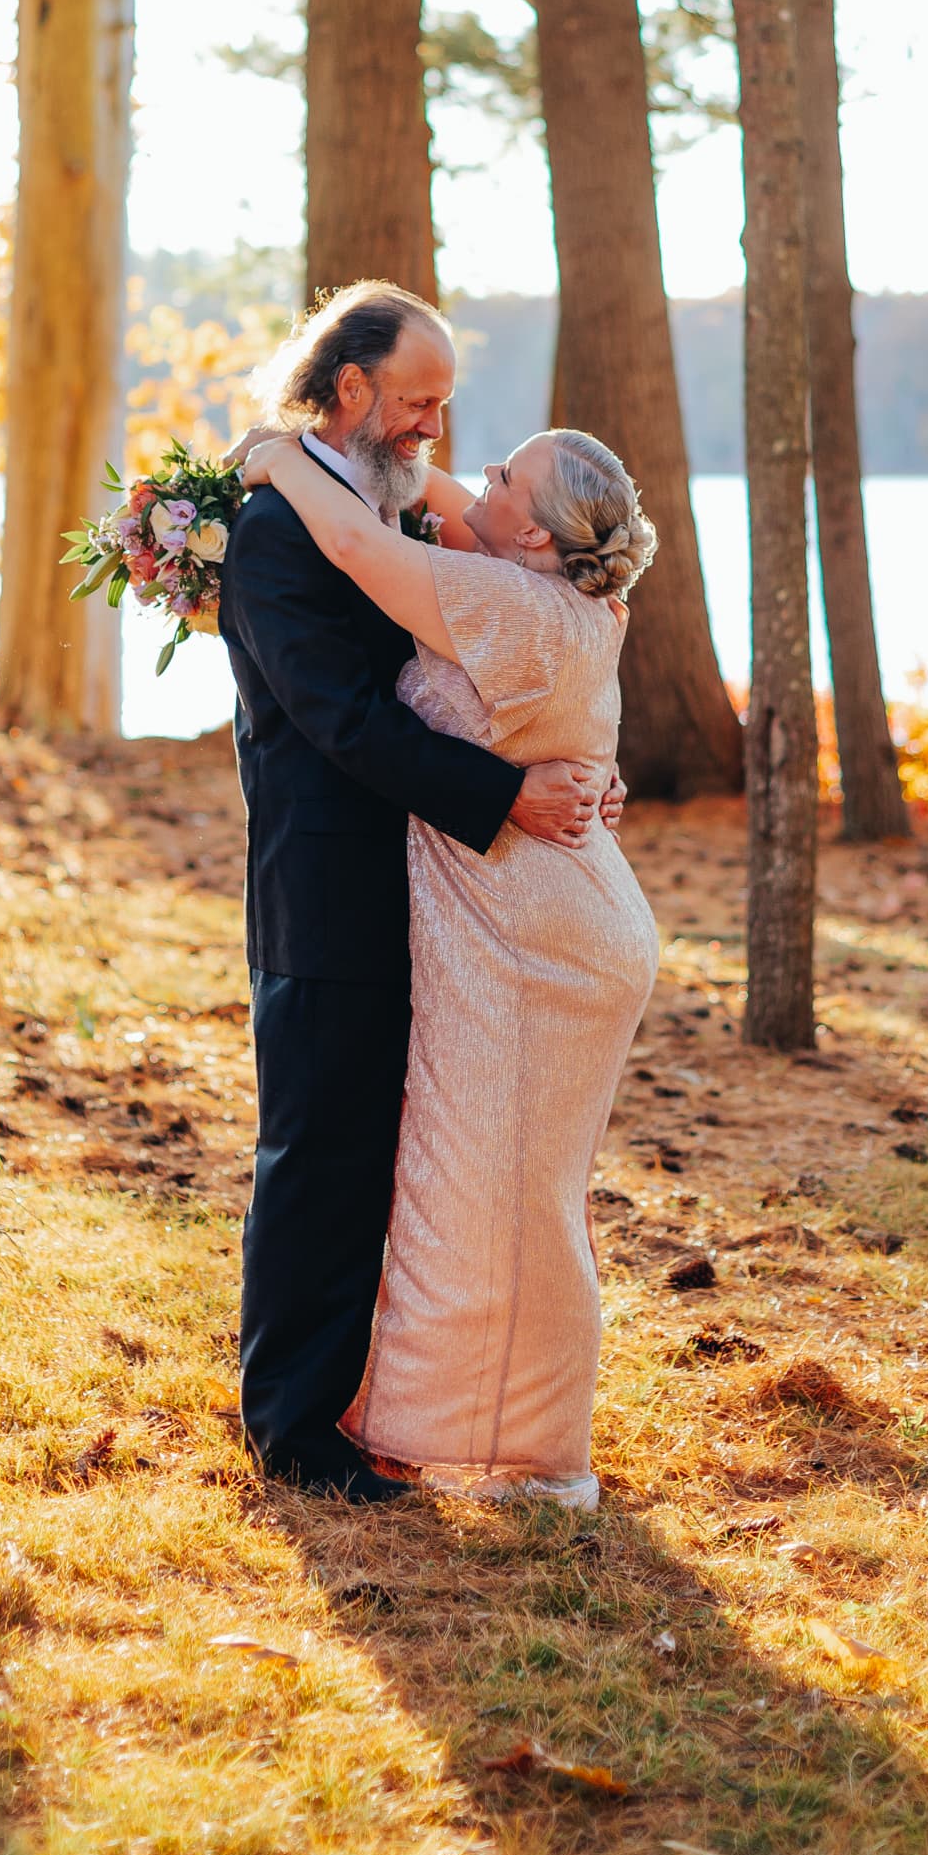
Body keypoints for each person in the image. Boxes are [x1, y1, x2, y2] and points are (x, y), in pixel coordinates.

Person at [217, 281, 608, 1500]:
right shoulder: (281, 529)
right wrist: (502, 802)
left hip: (436, 904)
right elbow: (336, 720)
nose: (434, 428)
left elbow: (492, 664)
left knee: (387, 1164)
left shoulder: (380, 510)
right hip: (329, 890)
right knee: (317, 1157)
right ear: (349, 391)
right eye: (417, 402)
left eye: (444, 405)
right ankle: (289, 1429)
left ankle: (364, 1401)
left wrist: (575, 766)